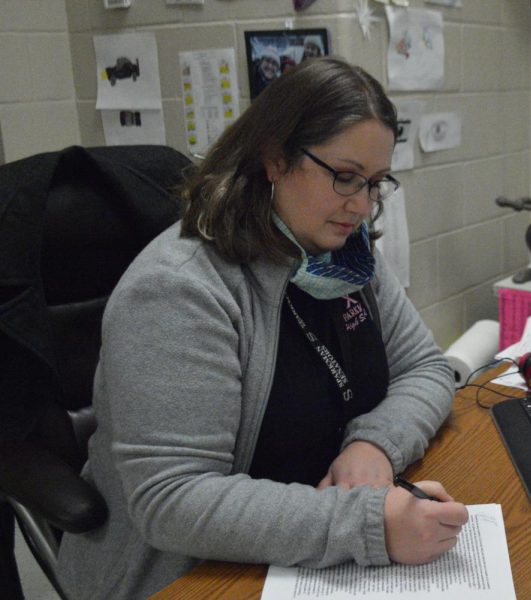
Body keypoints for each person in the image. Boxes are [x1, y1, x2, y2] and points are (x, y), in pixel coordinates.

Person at [57, 56, 468, 600]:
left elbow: (425, 368)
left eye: (374, 183)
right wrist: (367, 524)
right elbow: (173, 500)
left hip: (307, 546)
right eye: (344, 177)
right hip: (191, 572)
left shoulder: (346, 254)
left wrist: (374, 445)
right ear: (275, 159)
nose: (361, 205)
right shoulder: (180, 288)